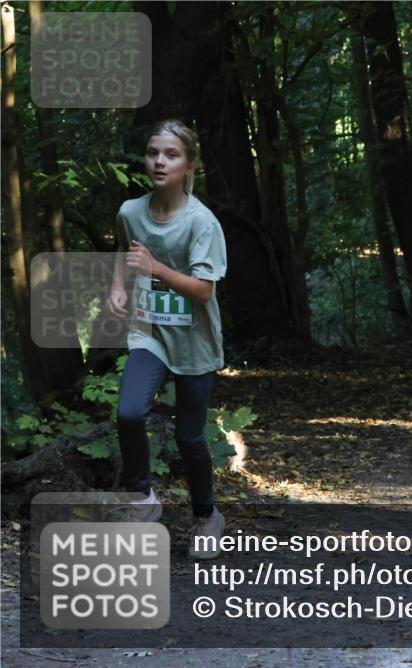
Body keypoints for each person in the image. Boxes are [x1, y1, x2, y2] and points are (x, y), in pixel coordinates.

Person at [106, 119, 230, 554]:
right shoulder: (130, 212)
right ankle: (142, 497)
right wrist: (119, 287)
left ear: (189, 164)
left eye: (171, 154)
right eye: (154, 152)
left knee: (189, 438)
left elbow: (203, 290)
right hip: (150, 333)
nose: (160, 161)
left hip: (194, 340)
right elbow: (126, 253)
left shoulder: (202, 223)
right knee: (128, 413)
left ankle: (206, 515)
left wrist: (157, 268)